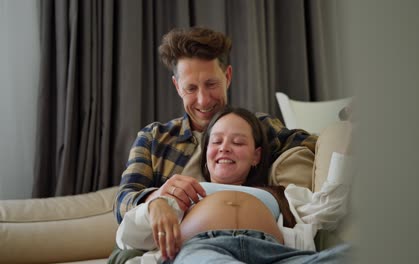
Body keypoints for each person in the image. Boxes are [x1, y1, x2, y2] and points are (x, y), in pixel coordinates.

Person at [110, 27, 317, 263]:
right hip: (192, 247)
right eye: (191, 88)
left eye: (211, 84)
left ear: (227, 77)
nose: (203, 100)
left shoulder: (259, 126)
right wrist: (154, 200)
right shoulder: (154, 138)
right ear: (177, 86)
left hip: (264, 244)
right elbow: (123, 201)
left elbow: (314, 144)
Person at [116, 107, 352, 263]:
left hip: (276, 254)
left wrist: (351, 135)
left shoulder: (283, 194)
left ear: (256, 156)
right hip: (204, 249)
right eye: (216, 141)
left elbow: (329, 209)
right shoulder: (185, 190)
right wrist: (154, 205)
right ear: (206, 154)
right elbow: (127, 238)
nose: (225, 147)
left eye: (238, 142)